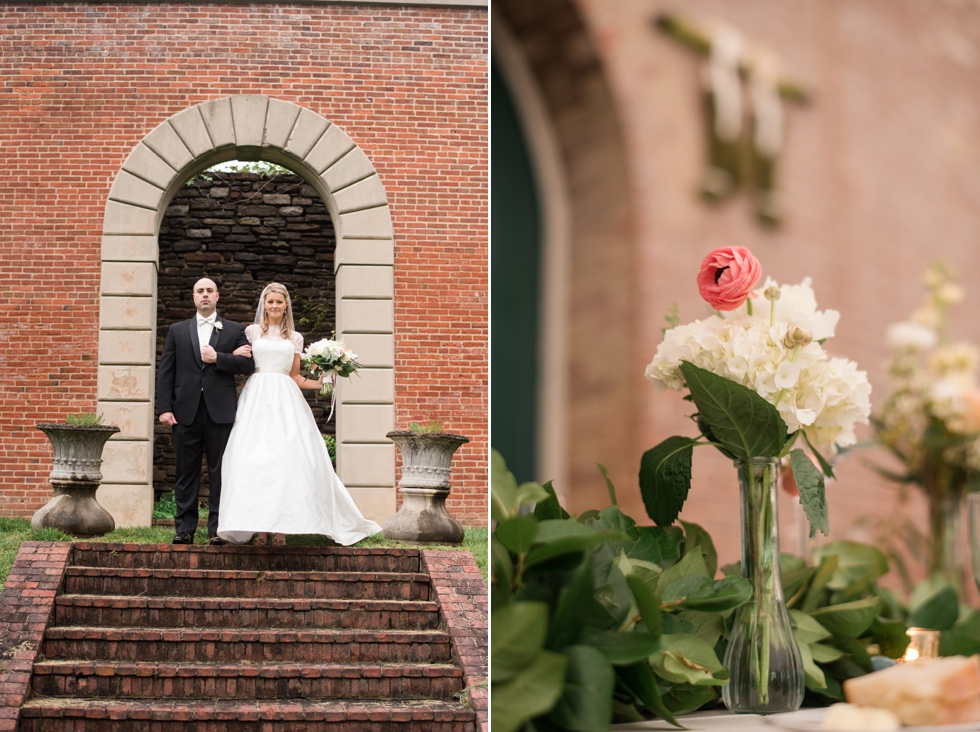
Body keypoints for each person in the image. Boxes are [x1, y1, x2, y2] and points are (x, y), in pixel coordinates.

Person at [216, 282, 382, 546]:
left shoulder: (295, 338)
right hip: (257, 396)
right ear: (264, 305)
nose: (273, 306)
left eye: (278, 302)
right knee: (254, 459)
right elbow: (243, 361)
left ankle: (281, 528)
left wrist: (322, 382)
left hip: (285, 398)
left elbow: (295, 376)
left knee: (286, 458)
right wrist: (233, 353)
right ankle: (259, 528)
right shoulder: (250, 332)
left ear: (285, 306)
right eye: (269, 302)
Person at [155, 278, 255, 545]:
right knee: (185, 472)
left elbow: (248, 365)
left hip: (220, 412)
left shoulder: (234, 330)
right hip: (184, 412)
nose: (205, 295)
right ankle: (184, 529)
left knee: (220, 471)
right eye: (200, 291)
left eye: (210, 290)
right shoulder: (176, 331)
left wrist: (219, 358)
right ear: (194, 297)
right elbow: (166, 371)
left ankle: (218, 529)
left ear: (218, 296)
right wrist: (164, 408)